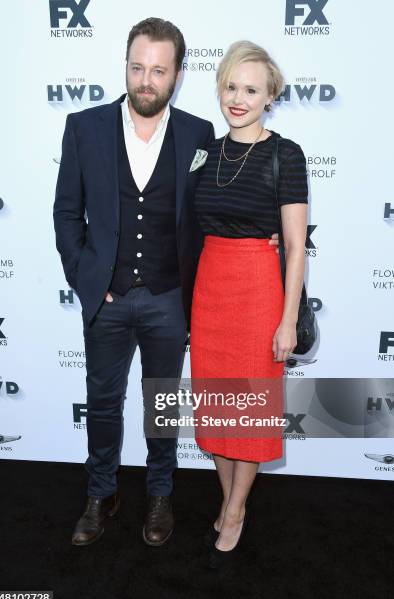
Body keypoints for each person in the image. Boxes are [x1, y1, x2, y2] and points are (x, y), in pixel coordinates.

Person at [53, 19, 280, 549]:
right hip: (107, 300)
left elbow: (226, 199)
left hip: (169, 298)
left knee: (162, 403)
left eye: (158, 70)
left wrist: (269, 238)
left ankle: (159, 494)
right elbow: (67, 213)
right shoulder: (83, 127)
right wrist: (88, 277)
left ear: (177, 75)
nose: (146, 80)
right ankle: (100, 493)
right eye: (137, 68)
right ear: (126, 67)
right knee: (103, 402)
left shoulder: (200, 134)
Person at [190, 41, 308, 568]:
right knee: (217, 407)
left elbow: (296, 246)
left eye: (251, 89)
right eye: (231, 86)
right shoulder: (204, 152)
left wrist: (287, 320)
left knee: (252, 411)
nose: (238, 98)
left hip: (260, 289)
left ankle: (235, 509)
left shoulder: (286, 153)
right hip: (210, 289)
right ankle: (228, 498)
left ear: (269, 96)